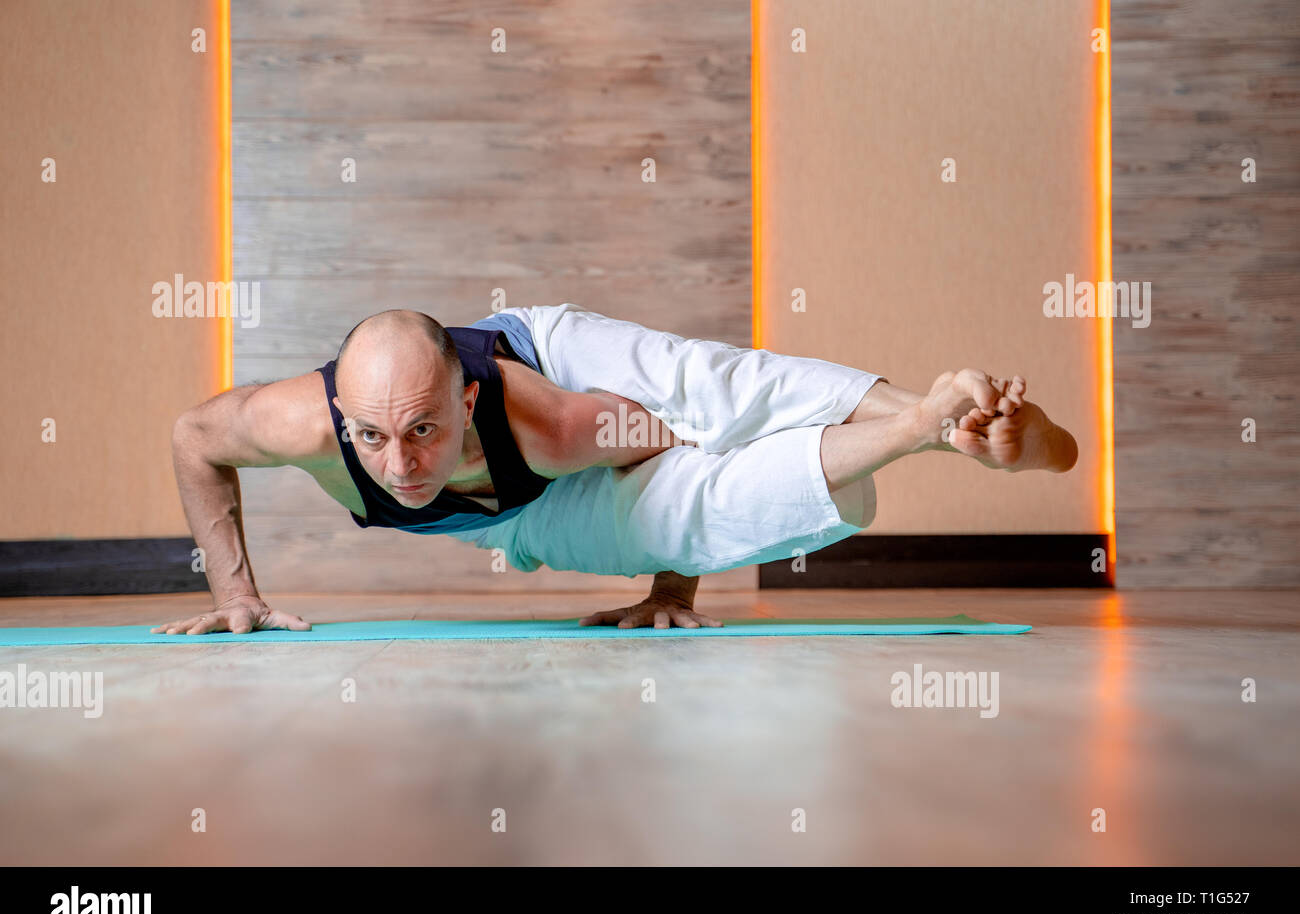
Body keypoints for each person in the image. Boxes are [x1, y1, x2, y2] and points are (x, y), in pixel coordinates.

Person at [153, 304, 1077, 635]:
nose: (400, 468)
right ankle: (925, 427)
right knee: (672, 516)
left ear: (466, 403)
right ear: (339, 420)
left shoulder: (551, 419)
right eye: (374, 438)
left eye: (425, 432)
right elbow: (194, 434)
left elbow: (683, 442)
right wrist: (236, 593)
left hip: (572, 380)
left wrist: (669, 582)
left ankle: (953, 422)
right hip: (505, 516)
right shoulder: (295, 422)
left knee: (722, 393)